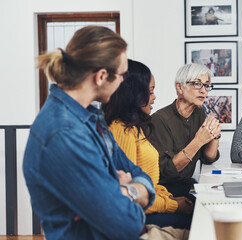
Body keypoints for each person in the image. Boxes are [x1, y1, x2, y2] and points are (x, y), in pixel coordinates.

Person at [22, 26, 156, 240]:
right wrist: (131, 191)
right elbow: (126, 224)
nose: (123, 81)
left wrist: (122, 192)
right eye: (121, 75)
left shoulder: (91, 118)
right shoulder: (65, 134)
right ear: (101, 76)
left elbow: (138, 173)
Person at [102, 59, 193, 230]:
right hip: (139, 215)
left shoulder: (135, 127)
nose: (154, 97)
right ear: (133, 95)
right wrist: (174, 205)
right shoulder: (121, 130)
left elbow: (149, 183)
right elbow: (132, 195)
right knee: (196, 224)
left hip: (152, 203)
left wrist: (171, 199)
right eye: (150, 92)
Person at [148, 63, 221, 203]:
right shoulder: (160, 119)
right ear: (179, 87)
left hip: (188, 186)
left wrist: (215, 134)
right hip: (166, 192)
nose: (204, 91)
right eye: (197, 84)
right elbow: (167, 172)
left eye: (206, 85)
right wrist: (198, 141)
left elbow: (209, 158)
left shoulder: (199, 115)